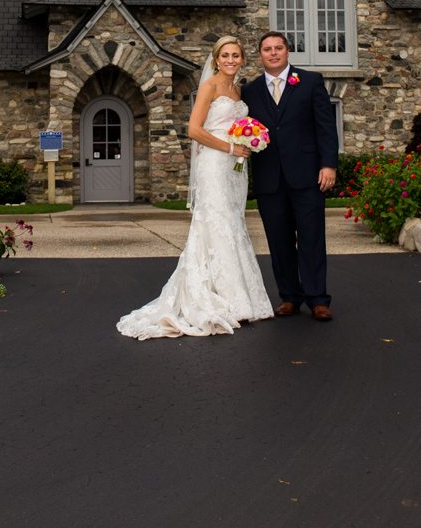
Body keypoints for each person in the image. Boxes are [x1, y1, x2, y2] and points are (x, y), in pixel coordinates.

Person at [117, 36, 274, 339]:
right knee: (217, 224)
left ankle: (241, 296)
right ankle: (227, 298)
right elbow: (194, 130)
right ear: (216, 59)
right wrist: (230, 148)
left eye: (236, 55)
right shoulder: (210, 86)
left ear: (242, 59)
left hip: (235, 168)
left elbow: (238, 125)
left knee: (234, 223)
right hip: (216, 163)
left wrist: (247, 141)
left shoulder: (238, 90)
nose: (231, 60)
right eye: (225, 55)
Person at [240, 30, 339, 321]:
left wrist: (329, 165)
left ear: (287, 51)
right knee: (279, 241)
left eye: (278, 48)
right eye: (267, 49)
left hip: (307, 175)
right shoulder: (251, 91)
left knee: (311, 238)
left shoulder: (310, 82)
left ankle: (318, 299)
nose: (273, 53)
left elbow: (325, 128)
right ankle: (289, 297)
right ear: (260, 55)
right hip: (270, 177)